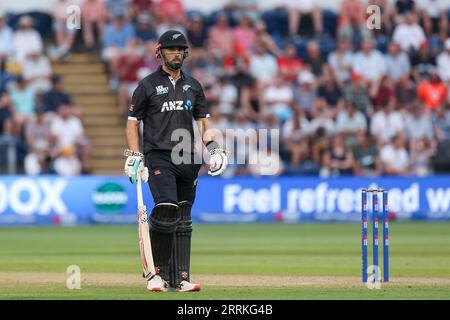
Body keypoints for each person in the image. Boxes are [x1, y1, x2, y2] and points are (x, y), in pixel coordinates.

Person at [124, 30, 228, 292]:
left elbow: (204, 122)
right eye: (171, 49)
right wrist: (135, 155)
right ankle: (156, 274)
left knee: (183, 216)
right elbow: (132, 124)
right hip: (158, 155)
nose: (177, 53)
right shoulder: (146, 85)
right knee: (167, 208)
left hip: (188, 158)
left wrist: (214, 149)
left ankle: (180, 278)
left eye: (181, 49)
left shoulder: (194, 86)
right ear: (160, 52)